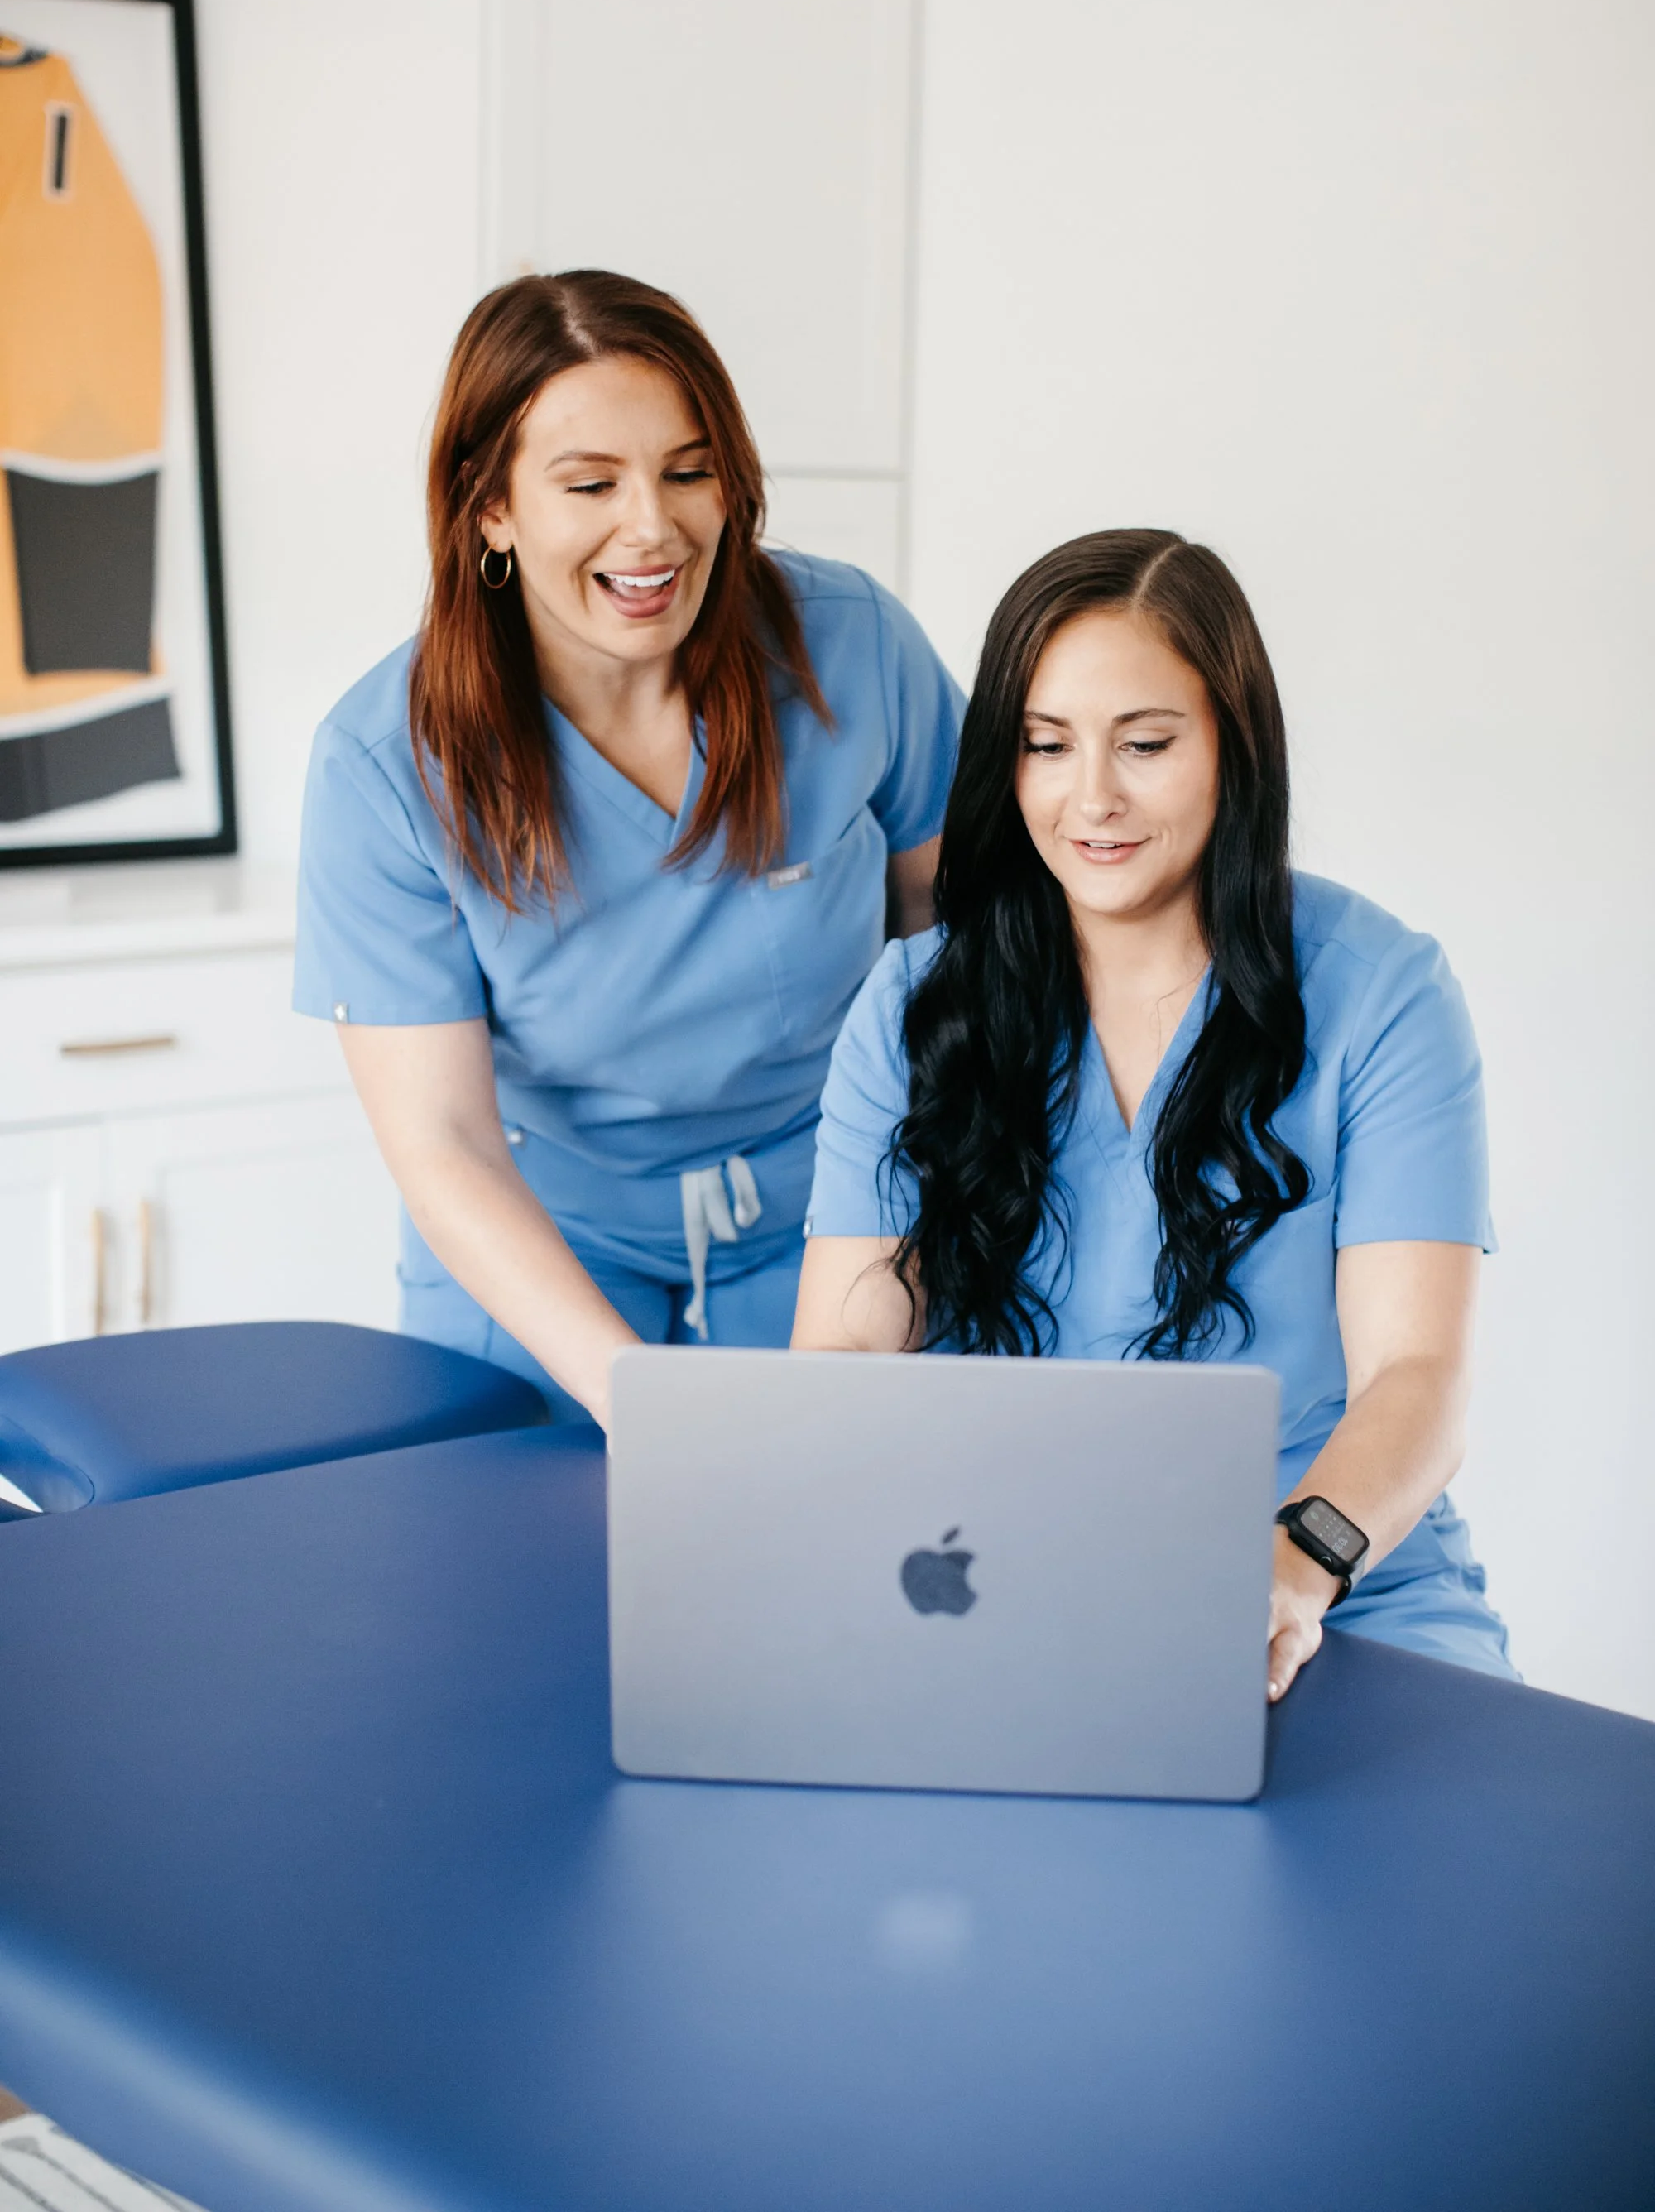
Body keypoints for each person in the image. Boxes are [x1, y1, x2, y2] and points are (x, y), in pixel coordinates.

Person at [794, 527, 1513, 1702]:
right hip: (1003, 1578)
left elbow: (1417, 1378)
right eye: (1046, 746)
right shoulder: (917, 1004)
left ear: (1235, 746)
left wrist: (1296, 1566)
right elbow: (842, 1352)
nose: (1093, 799)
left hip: (1336, 1579)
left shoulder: (1381, 992)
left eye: (1147, 745)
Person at [295, 270, 963, 1429]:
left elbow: (968, 948)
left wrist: (935, 1214)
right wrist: (636, 1398)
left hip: (843, 1215)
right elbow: (445, 1141)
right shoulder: (383, 766)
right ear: (490, 507)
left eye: (688, 472)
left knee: (848, 1573)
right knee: (509, 1587)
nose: (651, 527)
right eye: (590, 483)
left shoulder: (850, 646)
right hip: (548, 1243)